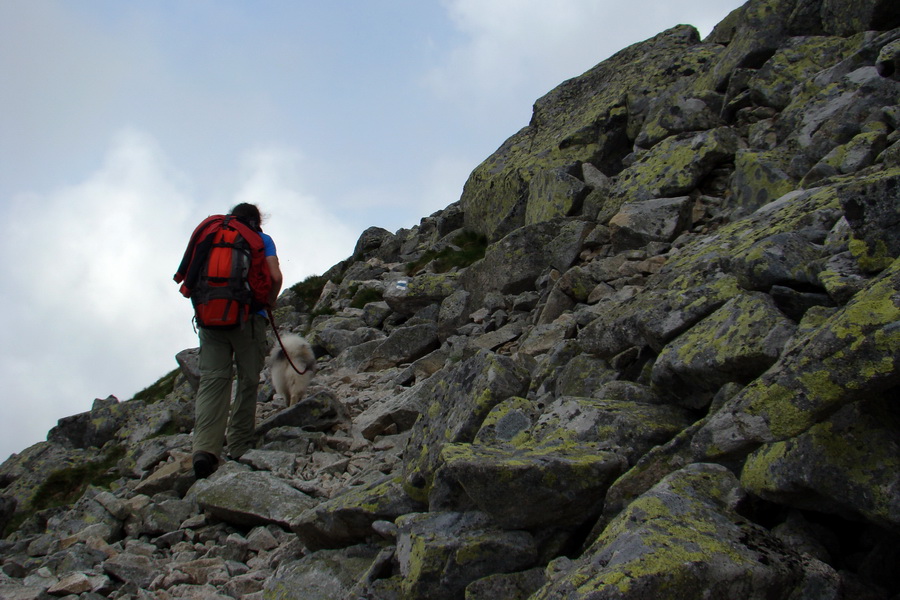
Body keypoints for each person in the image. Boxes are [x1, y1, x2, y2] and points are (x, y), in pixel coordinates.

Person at [191, 203, 283, 479]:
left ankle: (205, 450)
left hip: (210, 316)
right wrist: (269, 303)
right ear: (257, 221)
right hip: (248, 318)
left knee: (213, 380)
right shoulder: (261, 240)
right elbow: (275, 276)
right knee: (247, 379)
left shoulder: (212, 234)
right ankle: (239, 445)